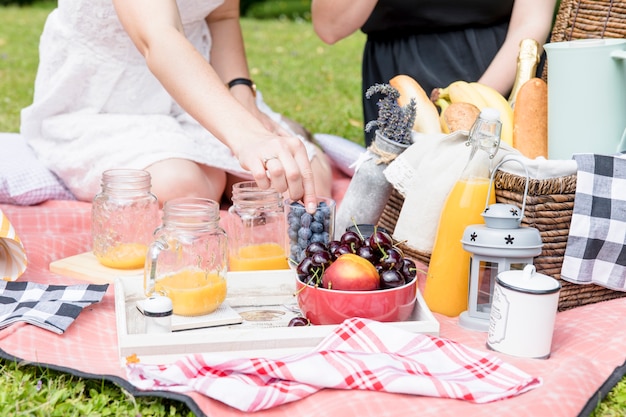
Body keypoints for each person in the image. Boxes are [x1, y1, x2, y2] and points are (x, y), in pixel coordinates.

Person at [20, 0, 332, 212]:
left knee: (303, 183)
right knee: (184, 189)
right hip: (105, 98)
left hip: (202, 81)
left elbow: (222, 15)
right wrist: (247, 138)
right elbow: (158, 37)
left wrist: (242, 97)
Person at [311, 0, 557, 146]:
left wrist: (471, 102)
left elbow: (532, 22)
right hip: (401, 80)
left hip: (501, 71)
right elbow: (330, 26)